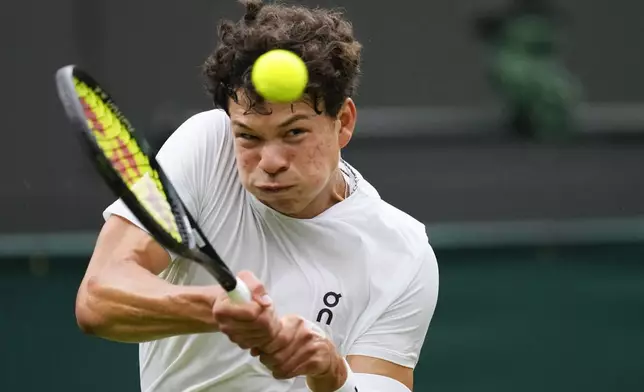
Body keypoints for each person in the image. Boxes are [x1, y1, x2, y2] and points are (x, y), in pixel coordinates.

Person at [74, 1, 439, 391]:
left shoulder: (401, 251)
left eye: (294, 133)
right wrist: (216, 306)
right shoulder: (207, 146)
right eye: (248, 136)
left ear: (343, 123)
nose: (271, 161)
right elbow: (99, 300)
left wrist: (332, 374)